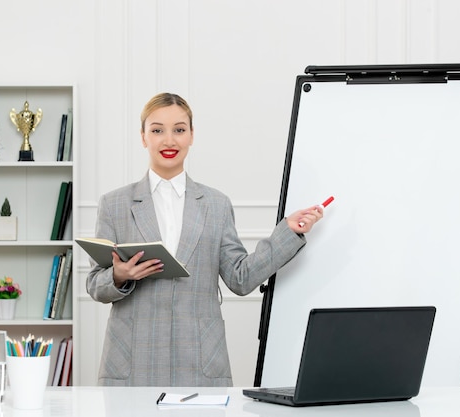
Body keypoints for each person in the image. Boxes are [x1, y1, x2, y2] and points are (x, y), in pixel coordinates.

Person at [86, 92, 323, 386]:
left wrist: (288, 230)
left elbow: (240, 277)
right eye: (157, 130)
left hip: (198, 359)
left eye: (179, 129)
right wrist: (119, 276)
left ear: (192, 135)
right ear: (143, 137)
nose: (169, 140)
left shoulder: (216, 204)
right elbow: (95, 284)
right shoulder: (114, 204)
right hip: (133, 359)